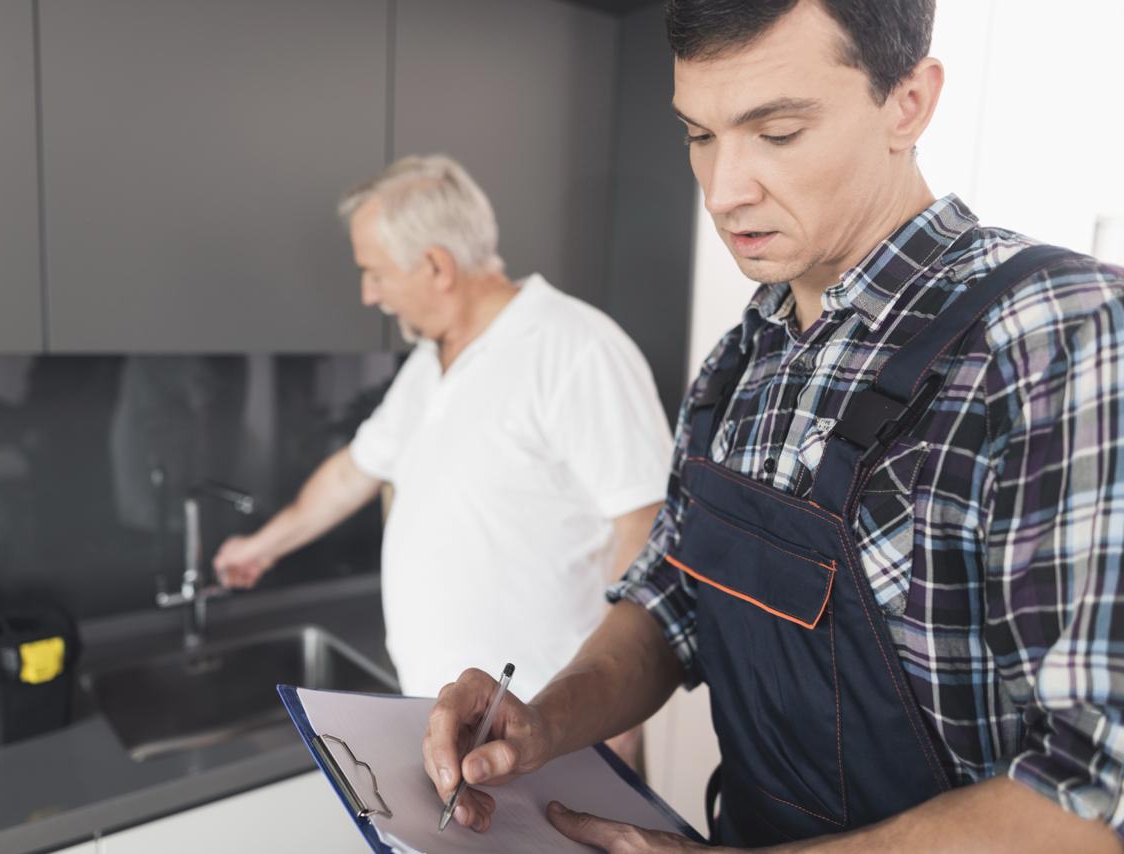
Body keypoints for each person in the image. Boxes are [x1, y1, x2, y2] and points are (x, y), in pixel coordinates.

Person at [422, 1, 1124, 850]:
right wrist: (542, 719)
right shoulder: (741, 358)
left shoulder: (1063, 336)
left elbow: (1088, 801)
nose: (724, 192)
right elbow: (670, 599)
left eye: (778, 133)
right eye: (699, 135)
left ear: (909, 102)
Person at [214, 154, 672, 763]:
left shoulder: (575, 349)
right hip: (447, 733)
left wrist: (613, 722)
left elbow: (644, 529)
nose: (368, 293)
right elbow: (356, 471)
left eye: (374, 273)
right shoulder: (430, 365)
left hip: (549, 740)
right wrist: (260, 547)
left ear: (436, 265)